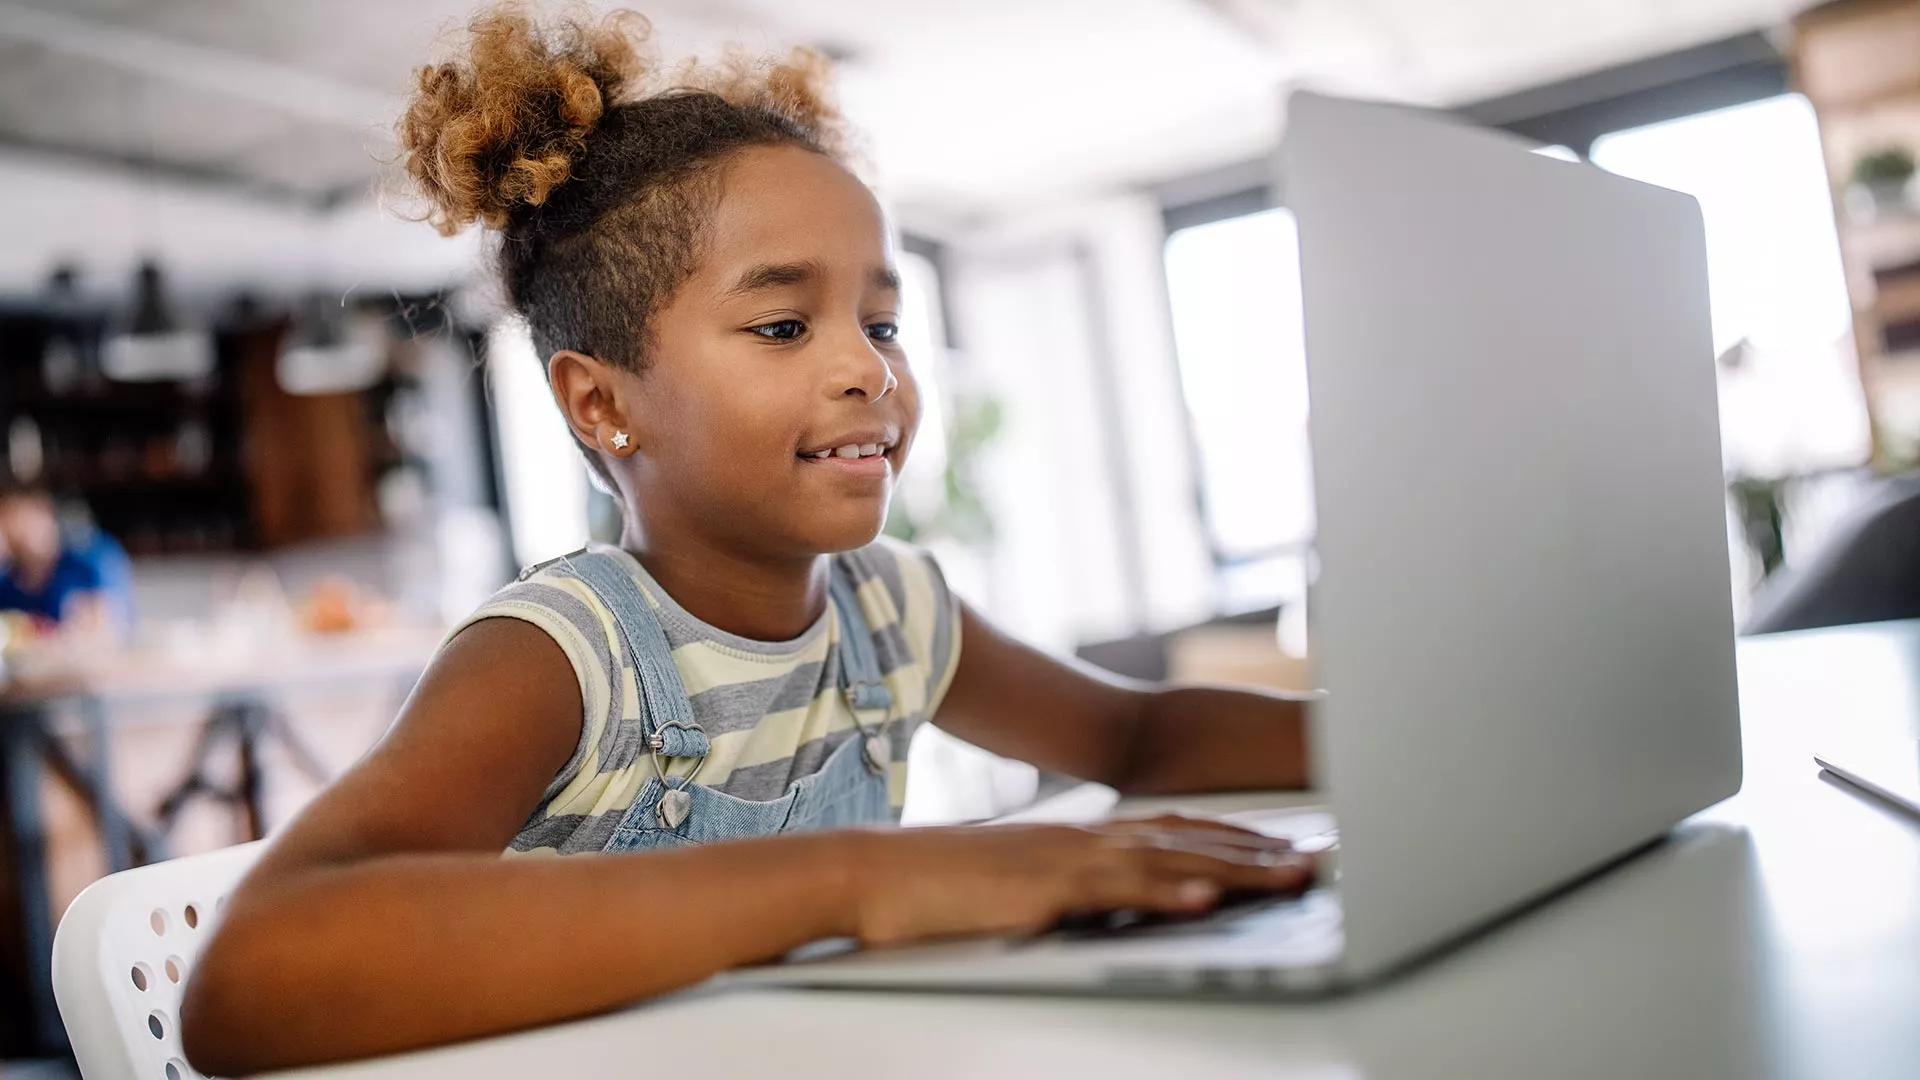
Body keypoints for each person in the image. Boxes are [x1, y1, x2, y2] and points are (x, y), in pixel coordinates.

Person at [183, 7, 1315, 1072]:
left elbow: (1135, 737)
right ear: (600, 405)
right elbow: (248, 978)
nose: (870, 367)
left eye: (883, 322)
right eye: (784, 325)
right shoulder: (562, 656)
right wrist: (853, 879)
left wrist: (1418, 741)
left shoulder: (888, 611)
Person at [0, 481, 132, 636]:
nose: (17, 530)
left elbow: (108, 629)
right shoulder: (8, 582)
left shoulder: (88, 558)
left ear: (45, 514)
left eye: (21, 518)